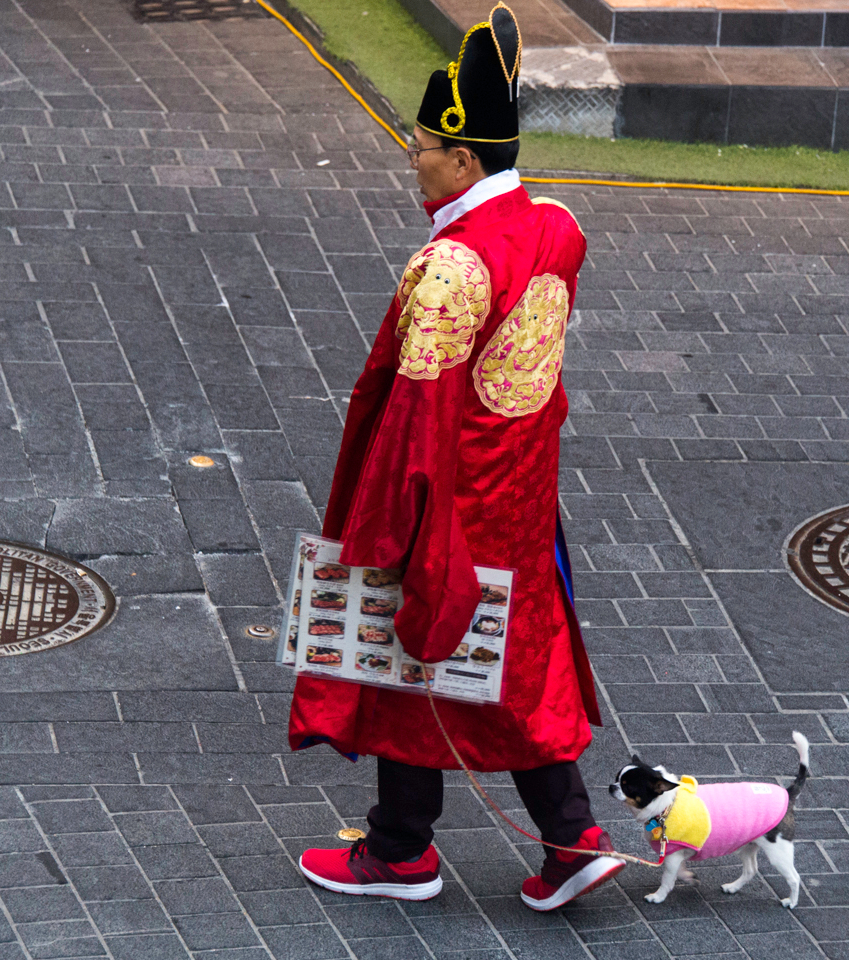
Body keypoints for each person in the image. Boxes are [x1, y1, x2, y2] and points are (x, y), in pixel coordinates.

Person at [287, 2, 624, 911]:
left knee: (407, 664)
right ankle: (570, 839)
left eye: (425, 144)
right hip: (521, 502)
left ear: (464, 158)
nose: (412, 154)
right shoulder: (555, 227)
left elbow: (412, 424)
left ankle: (402, 853)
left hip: (451, 505)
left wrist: (385, 529)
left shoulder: (449, 268)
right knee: (518, 664)